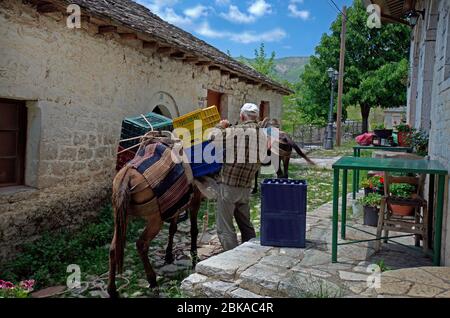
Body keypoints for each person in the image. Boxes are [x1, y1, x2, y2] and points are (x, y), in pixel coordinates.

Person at [214, 103, 266, 251]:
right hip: (246, 187)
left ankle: (231, 256)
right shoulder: (263, 135)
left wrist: (221, 125)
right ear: (256, 117)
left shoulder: (237, 131)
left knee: (224, 227)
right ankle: (250, 251)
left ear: (242, 116)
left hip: (229, 186)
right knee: (245, 223)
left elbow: (214, 138)